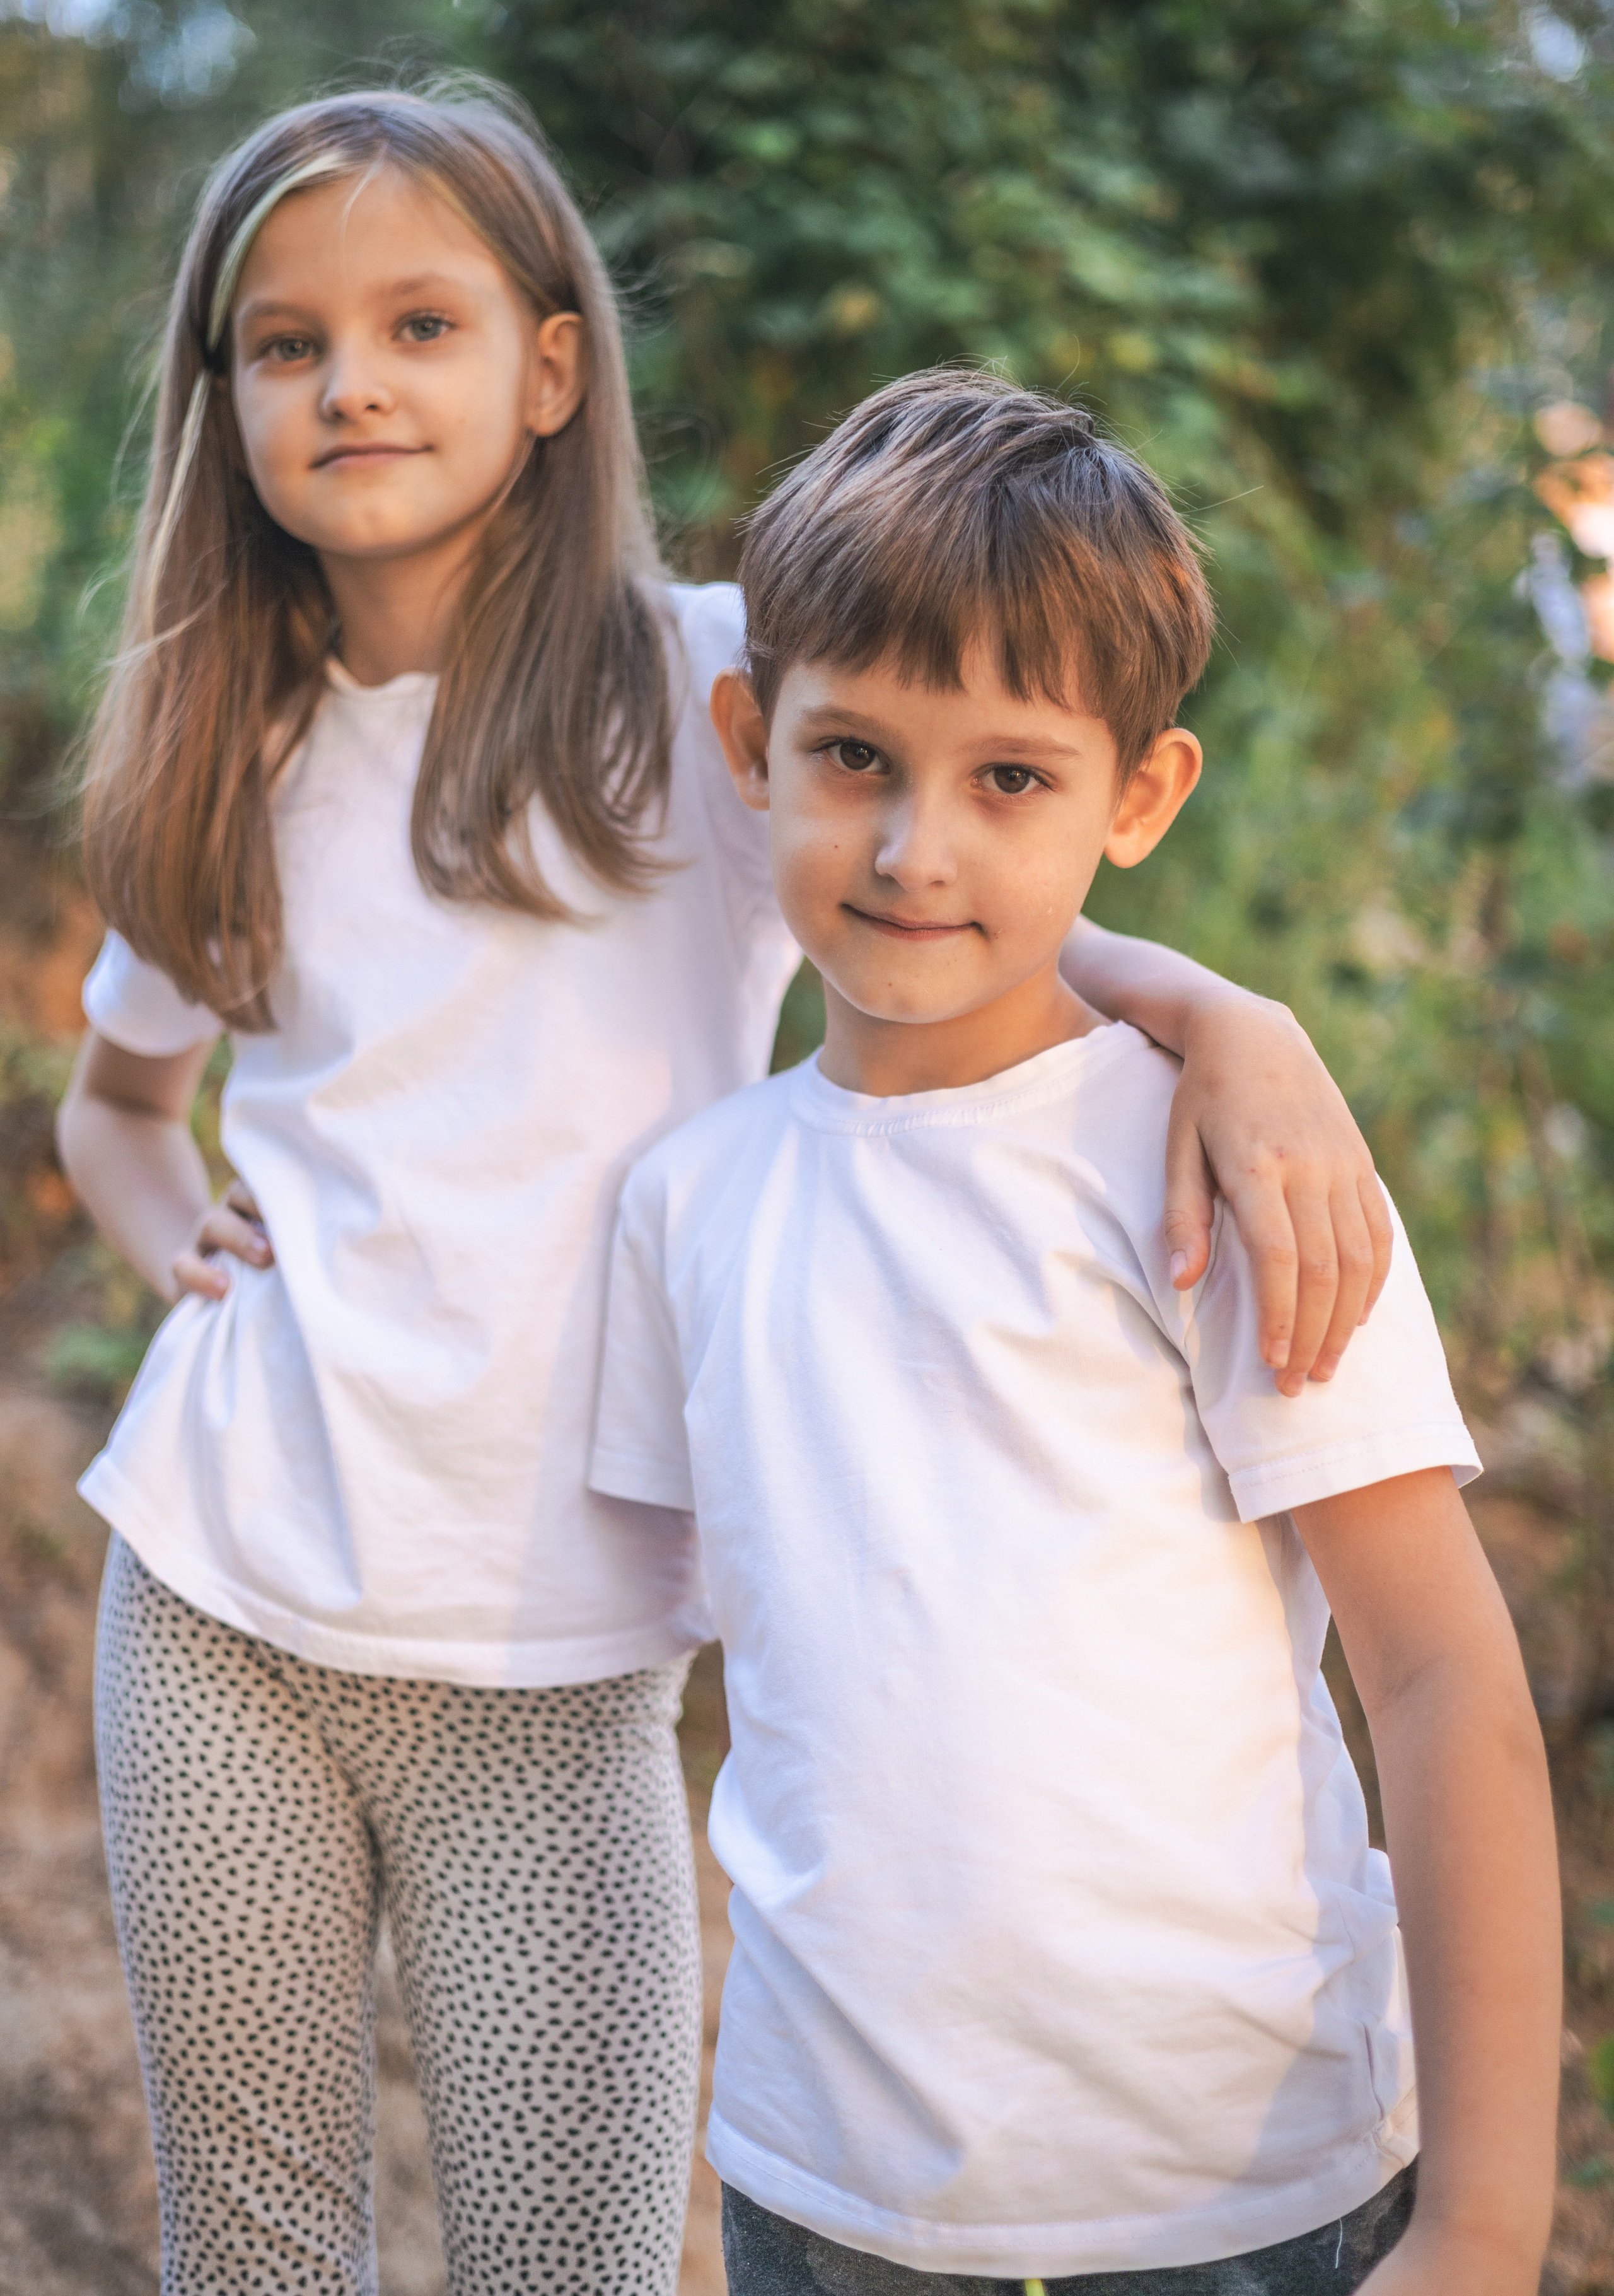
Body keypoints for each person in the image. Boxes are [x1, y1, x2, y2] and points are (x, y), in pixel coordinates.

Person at [57, 79, 1399, 2296]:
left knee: (567, 2254)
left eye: (417, 321)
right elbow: (118, 1100)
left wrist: (1236, 1024)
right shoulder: (220, 747)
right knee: (259, 2238)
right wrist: (162, 1231)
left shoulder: (697, 686)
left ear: (551, 362)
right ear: (224, 401)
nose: (351, 381)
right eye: (282, 345)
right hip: (221, 1598)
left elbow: (965, 886)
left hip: (564, 1659)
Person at [589, 371, 1562, 2296]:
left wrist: (1480, 2221)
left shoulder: (1220, 1167)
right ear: (748, 740)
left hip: (1238, 2203)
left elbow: (1444, 1676)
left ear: (1141, 797)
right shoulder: (688, 1203)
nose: (913, 850)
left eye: (1009, 778)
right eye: (853, 755)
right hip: (830, 2200)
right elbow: (696, 1680)